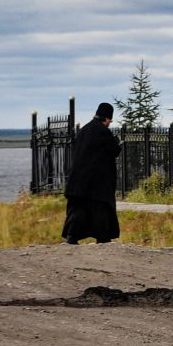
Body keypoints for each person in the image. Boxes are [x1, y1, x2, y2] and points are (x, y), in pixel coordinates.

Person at [62, 102, 123, 244]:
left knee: (78, 210)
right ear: (107, 119)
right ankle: (103, 238)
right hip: (97, 182)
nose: (109, 123)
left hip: (78, 181)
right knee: (100, 211)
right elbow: (114, 151)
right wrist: (117, 143)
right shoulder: (103, 132)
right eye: (110, 121)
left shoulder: (84, 130)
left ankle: (72, 236)